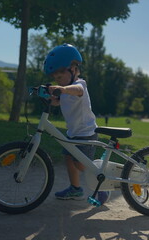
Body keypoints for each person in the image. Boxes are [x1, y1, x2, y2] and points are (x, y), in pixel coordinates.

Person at [44, 44, 110, 204]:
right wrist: (50, 98)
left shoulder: (79, 85)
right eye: (56, 79)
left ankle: (103, 182)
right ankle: (75, 188)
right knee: (68, 158)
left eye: (60, 77)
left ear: (73, 69)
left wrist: (62, 88)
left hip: (86, 133)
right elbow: (58, 102)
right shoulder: (66, 89)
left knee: (80, 164)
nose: (58, 81)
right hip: (73, 133)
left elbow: (77, 90)